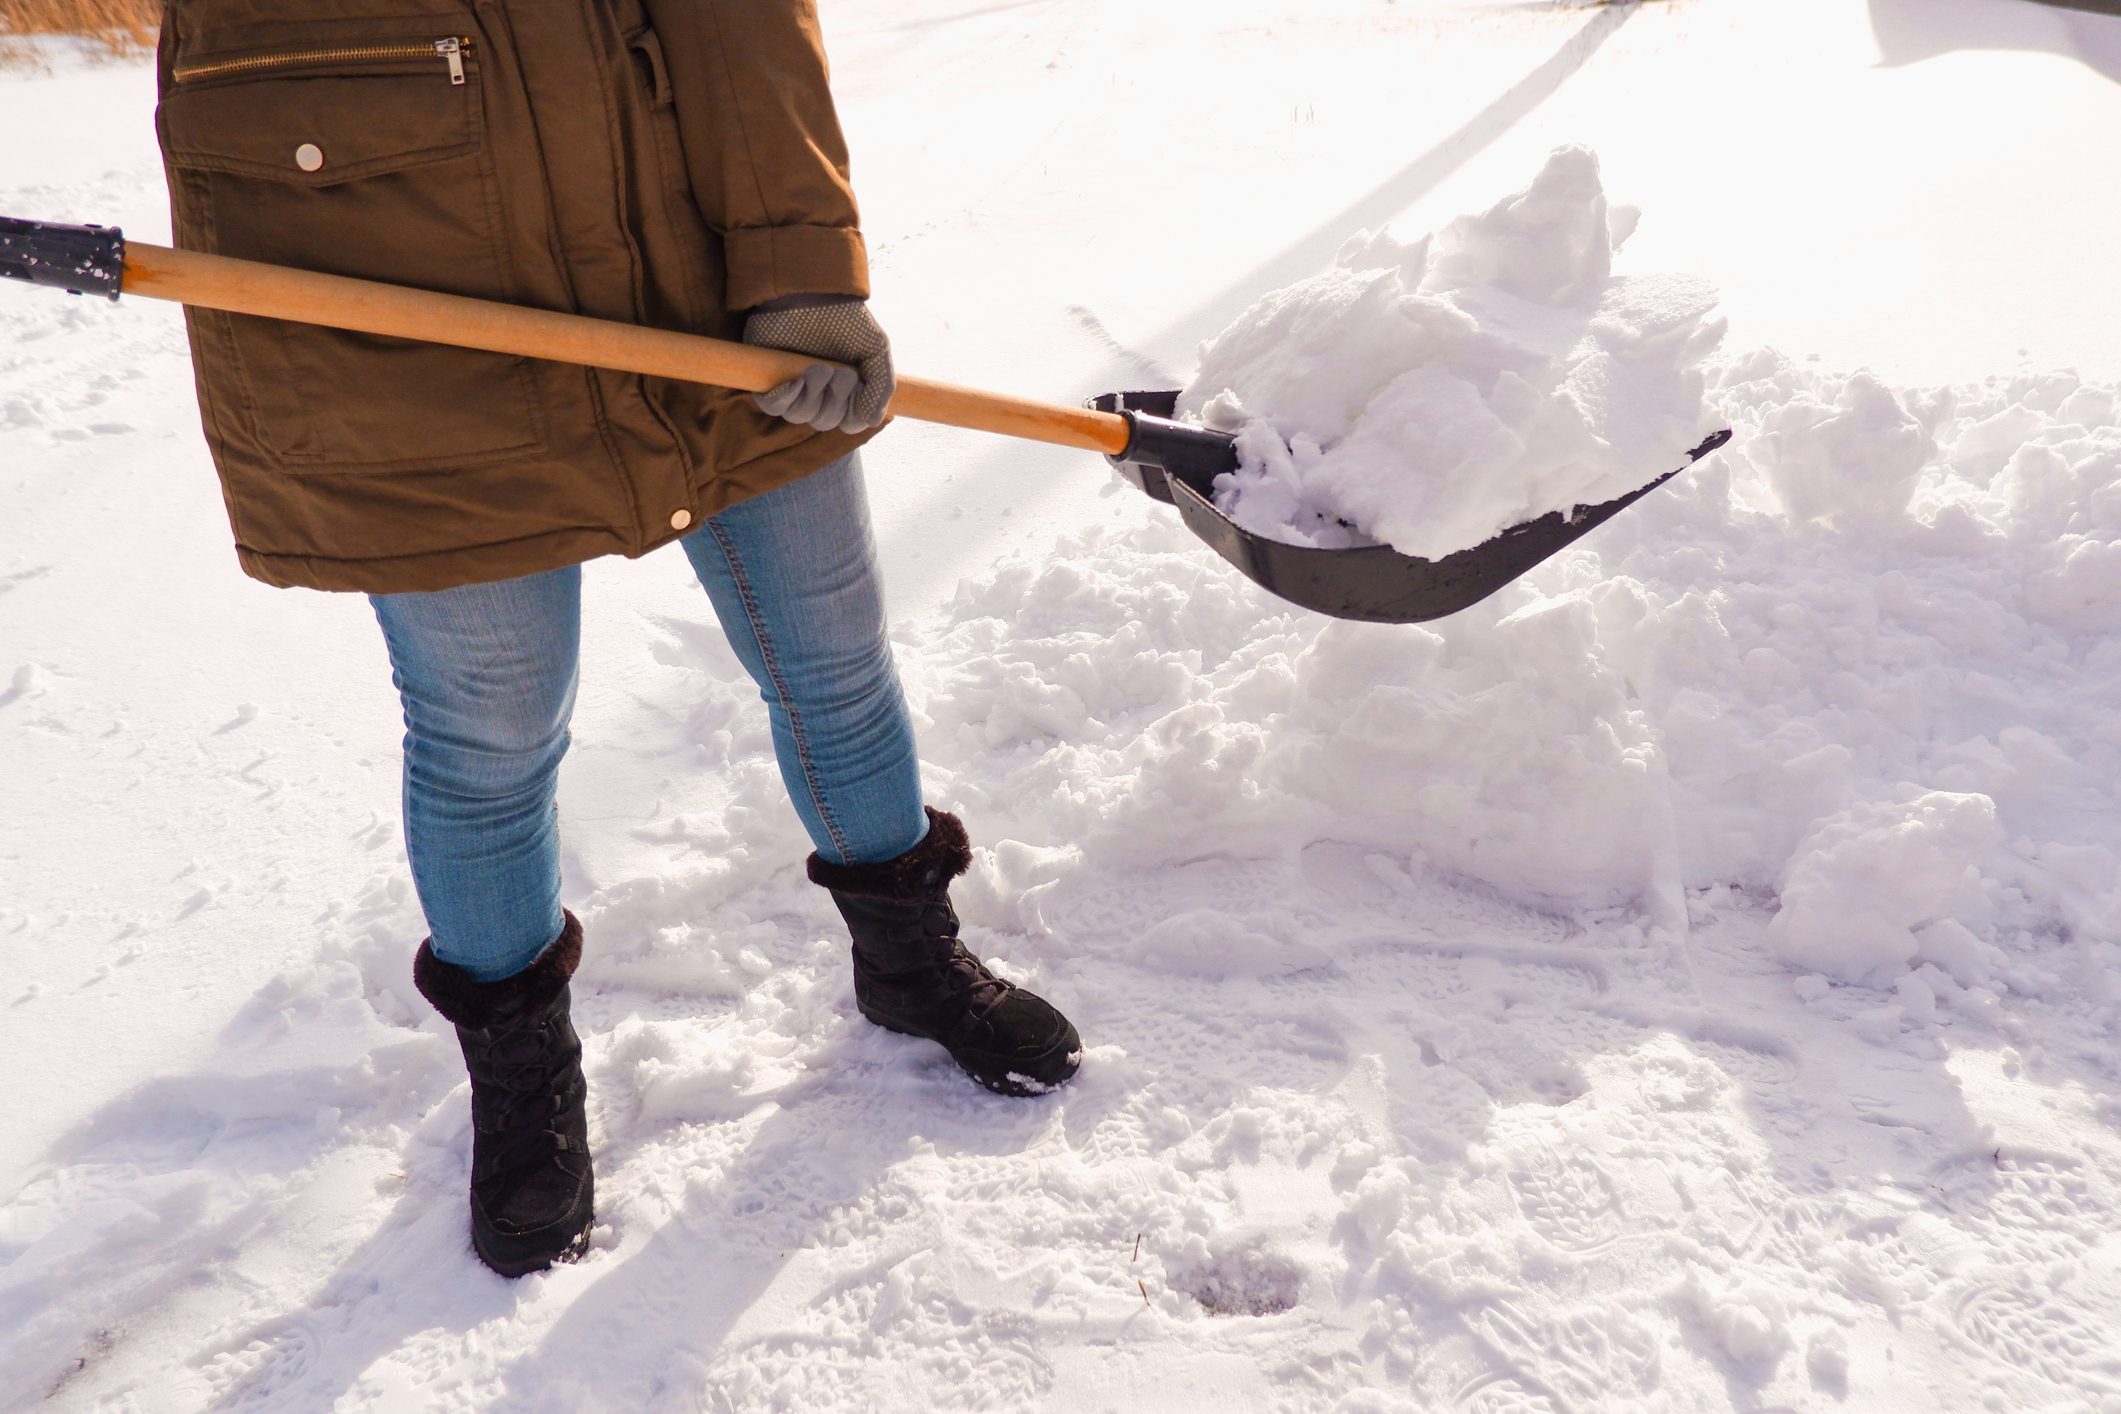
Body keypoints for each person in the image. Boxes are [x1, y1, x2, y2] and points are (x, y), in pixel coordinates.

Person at [152, 0, 1081, 1278]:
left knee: (833, 657)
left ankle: (909, 961)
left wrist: (802, 266)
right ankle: (519, 1074)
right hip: (394, 326)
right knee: (488, 733)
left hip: (700, 280)